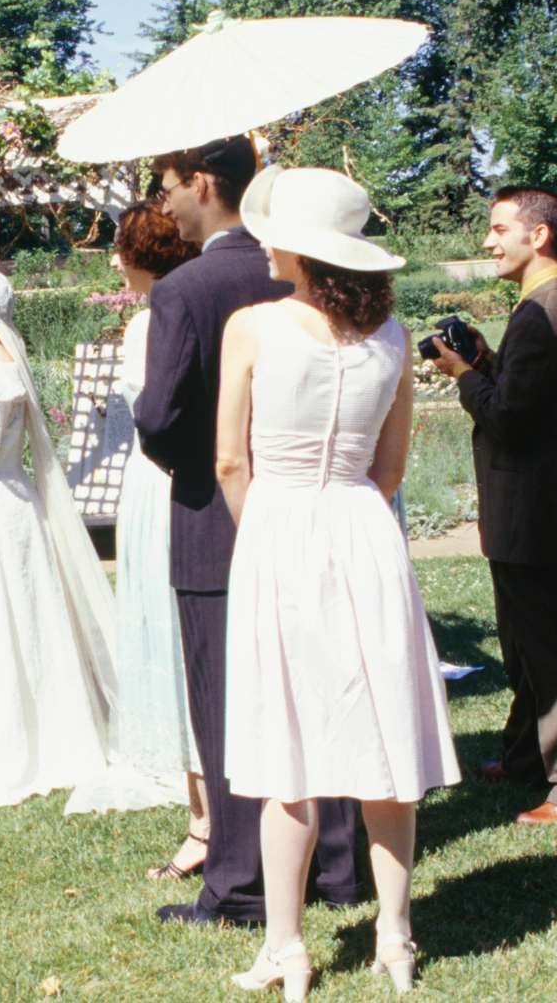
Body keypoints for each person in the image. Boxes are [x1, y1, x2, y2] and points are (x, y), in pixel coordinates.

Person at [217, 166, 461, 998]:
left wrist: (266, 535)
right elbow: (390, 469)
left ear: (301, 248)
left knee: (284, 746)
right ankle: (395, 933)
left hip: (279, 525)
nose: (264, 245)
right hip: (362, 528)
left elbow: (229, 461)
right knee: (382, 733)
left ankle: (286, 946)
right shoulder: (391, 338)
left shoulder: (252, 326)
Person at [133, 136, 361, 927]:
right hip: (317, 510)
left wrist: (185, 453)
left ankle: (240, 883)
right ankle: (339, 866)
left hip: (216, 521)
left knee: (231, 707)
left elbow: (160, 417)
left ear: (202, 183)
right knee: (319, 691)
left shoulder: (185, 289)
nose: (164, 204)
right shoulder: (313, 272)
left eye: (168, 185)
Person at [426, 187, 557, 825]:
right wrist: (485, 361)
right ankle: (528, 755)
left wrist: (462, 374)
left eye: (500, 228)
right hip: (534, 505)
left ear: (539, 236)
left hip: (533, 508)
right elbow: (527, 398)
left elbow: (509, 419)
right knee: (527, 639)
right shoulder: (554, 307)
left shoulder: (544, 312)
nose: (488, 241)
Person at [0, 269, 118, 808]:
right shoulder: (2, 368)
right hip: (14, 503)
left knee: (2, 621)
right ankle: (41, 735)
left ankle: (18, 751)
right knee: (24, 616)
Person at [102, 202, 209, 871]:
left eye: (122, 249)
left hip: (159, 480)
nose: (116, 262)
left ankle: (204, 822)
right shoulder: (184, 310)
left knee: (172, 637)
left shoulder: (151, 320)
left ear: (139, 255)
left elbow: (156, 417)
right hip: (170, 479)